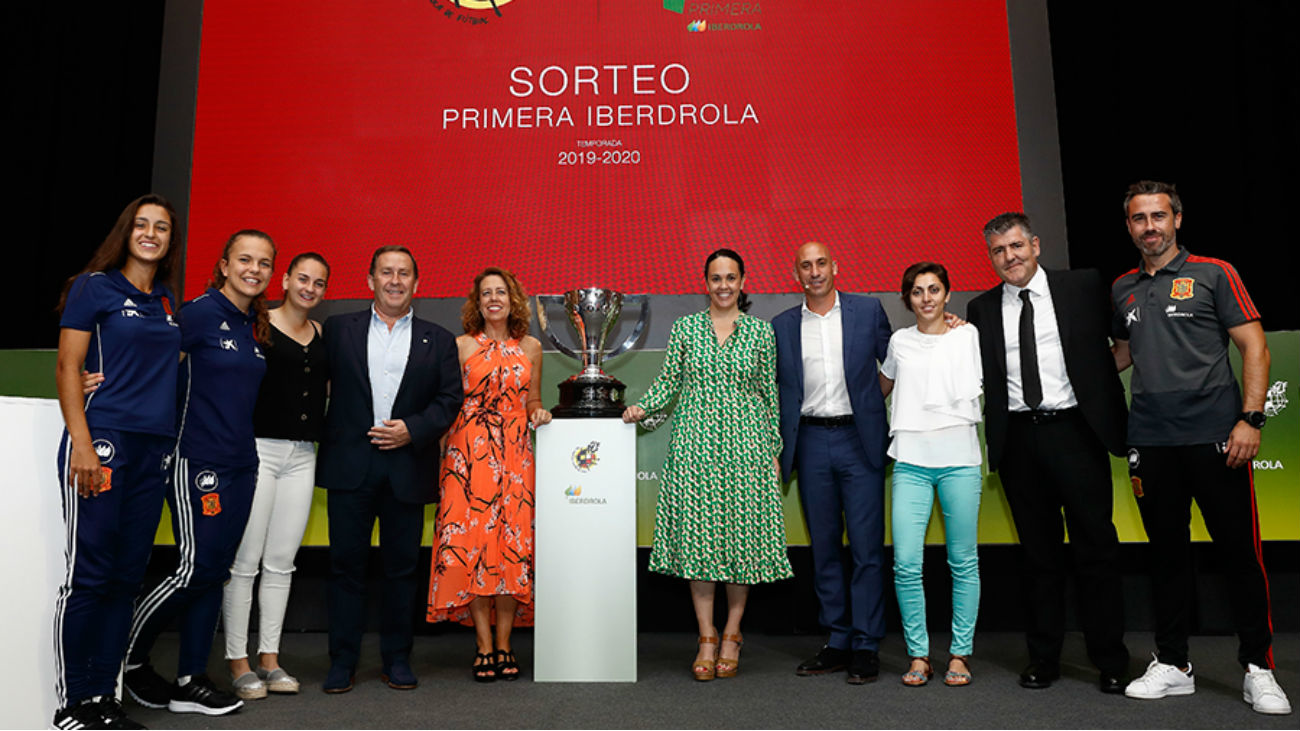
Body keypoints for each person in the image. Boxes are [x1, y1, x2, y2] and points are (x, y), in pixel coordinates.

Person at [1111, 181, 1289, 715]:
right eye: (1139, 218)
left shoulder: (1214, 273)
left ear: (1178, 219)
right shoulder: (1121, 287)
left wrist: (1250, 419)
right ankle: (1174, 663)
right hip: (1150, 441)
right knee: (1166, 558)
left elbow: (1254, 345)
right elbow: (1119, 354)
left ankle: (1259, 667)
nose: (1150, 227)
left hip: (1218, 438)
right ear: (1129, 226)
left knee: (1239, 554)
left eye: (1159, 216)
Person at [967, 212, 1130, 693]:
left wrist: (1097, 389)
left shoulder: (1082, 286)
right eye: (998, 251)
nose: (1009, 257)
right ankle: (1044, 659)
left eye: (1016, 246)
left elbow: (1123, 342)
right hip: (1019, 441)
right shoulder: (980, 308)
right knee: (1038, 557)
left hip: (1077, 433)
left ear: (1035, 245)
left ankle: (1111, 660)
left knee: (1095, 549)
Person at [122, 230, 276, 716]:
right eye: (245, 259)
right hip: (196, 460)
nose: (254, 269)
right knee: (193, 569)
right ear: (224, 265)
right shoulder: (196, 315)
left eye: (265, 263)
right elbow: (146, 361)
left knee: (214, 575)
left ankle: (191, 678)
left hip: (241, 464)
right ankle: (124, 652)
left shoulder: (252, 323)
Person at [623, 248, 792, 682]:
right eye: (716, 278)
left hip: (746, 451)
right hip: (694, 450)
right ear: (706, 283)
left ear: (742, 281)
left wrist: (773, 449)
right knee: (699, 547)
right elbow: (669, 383)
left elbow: (769, 397)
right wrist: (639, 409)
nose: (723, 285)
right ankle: (706, 636)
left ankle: (733, 633)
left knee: (741, 546)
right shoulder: (686, 329)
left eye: (731, 277)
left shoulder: (760, 334)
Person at [51, 194, 183, 729]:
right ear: (126, 232)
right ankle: (72, 703)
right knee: (91, 576)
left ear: (171, 241)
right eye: (143, 225)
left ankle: (105, 697)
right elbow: (67, 365)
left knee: (126, 578)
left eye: (163, 228)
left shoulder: (168, 302)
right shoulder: (93, 288)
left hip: (151, 453)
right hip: (100, 444)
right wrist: (81, 442)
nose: (151, 234)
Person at [316, 245, 462, 693]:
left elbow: (449, 399)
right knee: (346, 569)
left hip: (407, 467)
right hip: (349, 468)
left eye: (404, 274)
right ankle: (342, 662)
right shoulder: (339, 330)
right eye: (386, 272)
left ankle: (397, 659)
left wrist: (412, 430)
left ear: (417, 284)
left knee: (401, 571)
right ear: (370, 279)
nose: (395, 280)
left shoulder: (438, 339)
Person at [771, 242, 892, 684]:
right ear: (797, 273)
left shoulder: (868, 310)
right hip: (811, 443)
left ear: (835, 267)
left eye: (822, 263)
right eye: (806, 265)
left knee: (866, 550)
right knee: (824, 549)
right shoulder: (781, 326)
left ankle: (865, 644)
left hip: (859, 442)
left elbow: (896, 362)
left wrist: (867, 405)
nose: (815, 271)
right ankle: (837, 639)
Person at [427, 267, 552, 682]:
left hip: (516, 460)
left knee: (511, 551)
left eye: (501, 292)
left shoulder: (532, 347)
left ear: (513, 299)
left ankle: (505, 643)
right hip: (469, 459)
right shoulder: (460, 345)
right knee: (475, 549)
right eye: (486, 293)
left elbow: (533, 399)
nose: (494, 299)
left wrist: (538, 412)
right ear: (476, 303)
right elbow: (448, 403)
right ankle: (483, 646)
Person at [221, 252, 331, 700]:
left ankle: (269, 658)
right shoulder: (256, 321)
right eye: (302, 278)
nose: (309, 288)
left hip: (303, 455)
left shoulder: (320, 333)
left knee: (282, 562)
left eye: (319, 283)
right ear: (284, 279)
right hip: (258, 451)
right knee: (244, 563)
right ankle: (237, 660)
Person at [877, 262, 983, 687]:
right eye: (917, 291)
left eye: (934, 289)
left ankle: (960, 654)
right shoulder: (899, 342)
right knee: (905, 563)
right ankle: (918, 655)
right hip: (911, 463)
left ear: (947, 294)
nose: (926, 298)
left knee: (963, 562)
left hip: (961, 460)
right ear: (908, 299)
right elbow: (879, 386)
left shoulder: (968, 334)